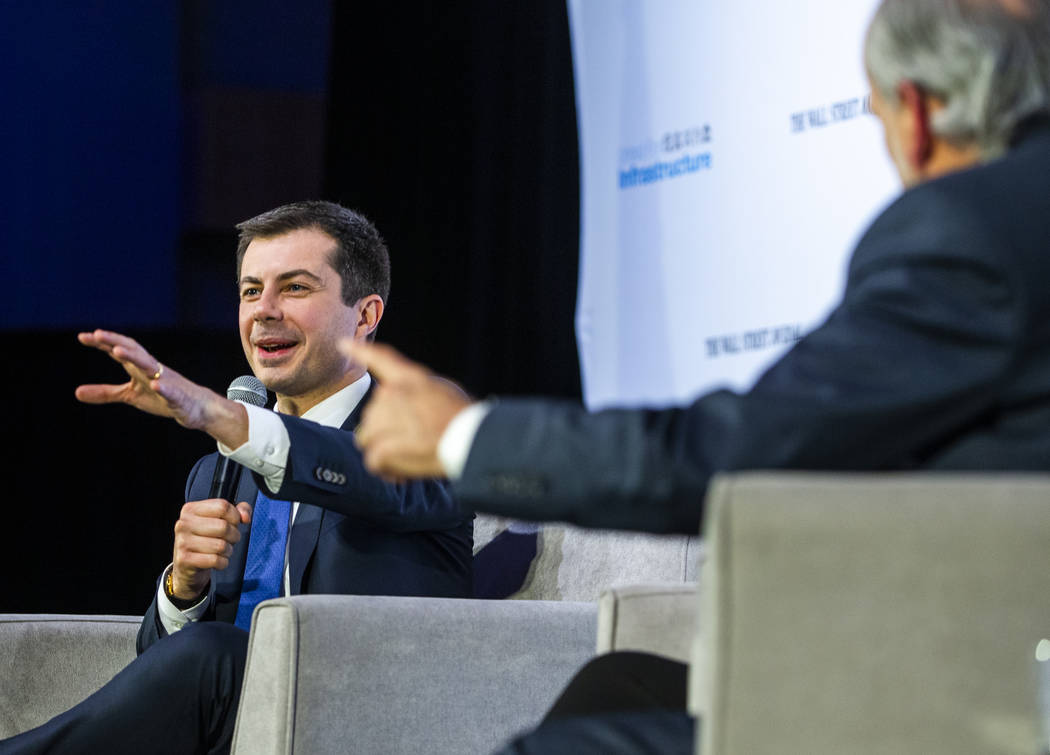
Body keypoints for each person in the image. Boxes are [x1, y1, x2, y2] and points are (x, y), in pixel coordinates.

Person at [342, 0, 1050, 751]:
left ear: (913, 111)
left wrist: (468, 436)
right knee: (613, 687)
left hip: (983, 697)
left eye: (873, 121)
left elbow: (739, 454)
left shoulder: (972, 230)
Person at [0, 201, 471, 754]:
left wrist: (224, 417)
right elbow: (160, 677)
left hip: (366, 721)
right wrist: (185, 590)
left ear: (366, 315)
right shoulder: (217, 473)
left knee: (213, 655)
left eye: (294, 288)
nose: (263, 312)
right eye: (250, 291)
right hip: (236, 734)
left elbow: (371, 473)